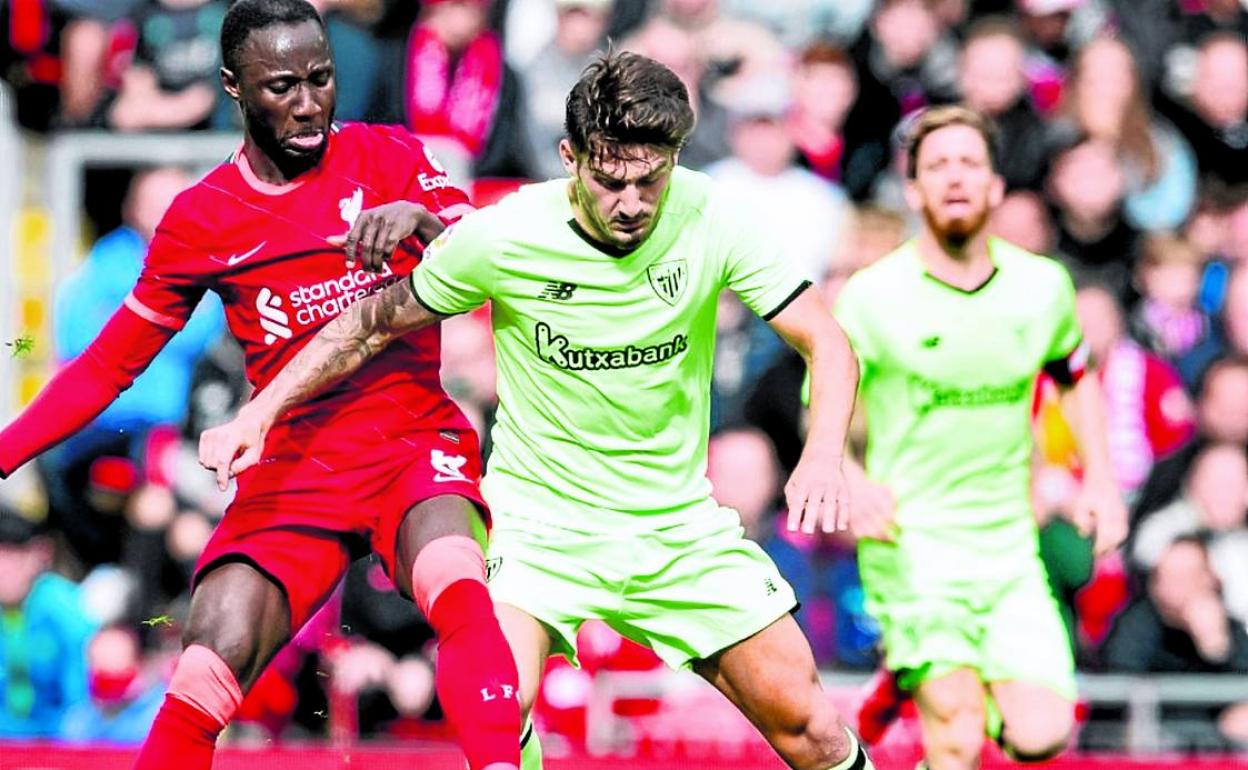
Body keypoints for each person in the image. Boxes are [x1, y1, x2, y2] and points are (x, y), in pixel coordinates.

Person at [202, 50, 874, 770]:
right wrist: (258, 412)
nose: (632, 202)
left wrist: (823, 452)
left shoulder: (714, 215)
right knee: (496, 708)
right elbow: (368, 322)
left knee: (812, 728)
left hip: (676, 525)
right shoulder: (507, 235)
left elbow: (827, 342)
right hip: (537, 530)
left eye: (651, 180)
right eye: (611, 179)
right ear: (569, 156)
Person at [0, 1, 521, 769]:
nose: (308, 104)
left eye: (321, 79)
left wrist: (421, 219)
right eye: (281, 86)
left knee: (459, 583)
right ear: (233, 88)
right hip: (294, 465)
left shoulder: (392, 156)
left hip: (411, 444)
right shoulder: (204, 217)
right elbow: (112, 363)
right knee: (213, 653)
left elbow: (486, 254)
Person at [837, 106, 1127, 770]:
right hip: (912, 543)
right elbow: (824, 413)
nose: (955, 178)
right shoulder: (871, 297)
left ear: (996, 186)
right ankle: (933, 680)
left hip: (1007, 548)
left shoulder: (1042, 287)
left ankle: (908, 678)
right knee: (960, 736)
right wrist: (852, 481)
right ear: (913, 192)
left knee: (1041, 735)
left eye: (970, 163)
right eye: (937, 166)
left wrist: (1102, 482)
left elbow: (1073, 377)